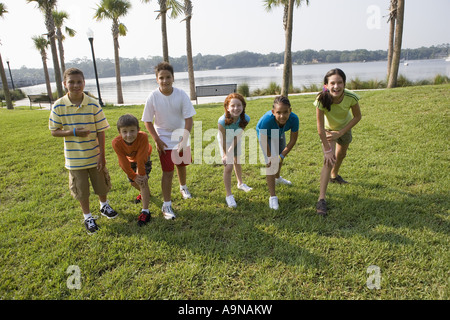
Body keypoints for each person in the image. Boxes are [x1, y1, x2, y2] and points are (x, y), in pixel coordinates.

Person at [49, 67, 117, 234]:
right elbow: (54, 131)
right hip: (74, 159)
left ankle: (104, 206)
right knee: (82, 190)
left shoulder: (93, 104)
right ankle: (87, 216)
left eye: (79, 82)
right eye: (71, 82)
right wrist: (73, 132)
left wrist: (102, 154)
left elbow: (101, 130)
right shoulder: (58, 106)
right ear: (65, 84)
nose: (76, 85)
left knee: (101, 185)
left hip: (94, 156)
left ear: (84, 83)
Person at [142, 62, 196, 220]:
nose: (165, 80)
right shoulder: (153, 96)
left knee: (181, 165)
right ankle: (167, 204)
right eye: (161, 78)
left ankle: (183, 187)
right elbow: (147, 121)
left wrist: (184, 139)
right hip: (164, 139)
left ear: (173, 78)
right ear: (156, 79)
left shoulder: (181, 94)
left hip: (181, 135)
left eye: (168, 77)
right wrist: (157, 139)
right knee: (168, 171)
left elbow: (188, 118)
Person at [314, 68, 362, 217]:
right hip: (328, 132)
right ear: (326, 85)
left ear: (344, 83)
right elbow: (320, 127)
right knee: (329, 160)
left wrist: (341, 132)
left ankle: (334, 176)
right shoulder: (321, 100)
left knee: (341, 154)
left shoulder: (351, 97)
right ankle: (321, 199)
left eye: (339, 82)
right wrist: (328, 150)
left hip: (344, 129)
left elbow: (357, 117)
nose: (336, 86)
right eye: (332, 83)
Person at [256, 96, 299, 210]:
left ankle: (278, 177)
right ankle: (273, 197)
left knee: (279, 157)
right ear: (273, 112)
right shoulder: (267, 120)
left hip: (278, 132)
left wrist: (281, 155)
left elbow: (293, 140)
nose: (282, 116)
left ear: (290, 110)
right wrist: (270, 157)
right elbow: (263, 139)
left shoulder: (294, 119)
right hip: (265, 135)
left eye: (285, 112)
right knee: (271, 164)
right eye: (278, 112)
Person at [112, 114, 153, 226]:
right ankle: (144, 193)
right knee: (133, 183)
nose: (129, 135)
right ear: (119, 132)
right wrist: (133, 176)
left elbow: (141, 157)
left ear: (138, 130)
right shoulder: (116, 143)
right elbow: (123, 162)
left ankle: (145, 211)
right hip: (130, 161)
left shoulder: (143, 136)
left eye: (132, 131)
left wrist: (141, 173)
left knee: (143, 182)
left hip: (143, 158)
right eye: (124, 132)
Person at [218, 93, 252, 208]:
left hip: (236, 138)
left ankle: (240, 183)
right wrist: (225, 154)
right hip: (224, 141)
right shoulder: (222, 121)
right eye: (232, 106)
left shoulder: (246, 118)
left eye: (239, 105)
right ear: (227, 107)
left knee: (237, 161)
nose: (236, 108)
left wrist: (232, 148)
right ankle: (229, 195)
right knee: (228, 167)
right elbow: (222, 139)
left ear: (243, 107)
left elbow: (238, 134)